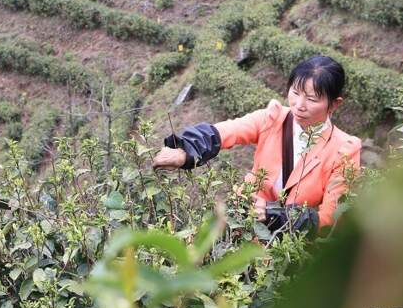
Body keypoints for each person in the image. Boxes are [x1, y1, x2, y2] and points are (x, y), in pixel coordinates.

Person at [152, 55, 361, 230]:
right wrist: (186, 150)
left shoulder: (344, 151)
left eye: (312, 99)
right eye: (295, 93)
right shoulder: (273, 119)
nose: (299, 105)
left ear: (334, 104)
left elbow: (330, 219)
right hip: (241, 224)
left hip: (287, 248)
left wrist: (274, 215)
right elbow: (226, 131)